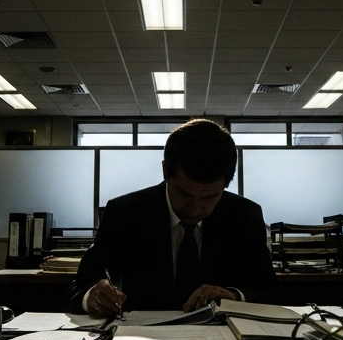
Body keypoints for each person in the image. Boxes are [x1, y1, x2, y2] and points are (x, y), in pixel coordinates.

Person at [68, 118, 275, 317]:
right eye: (185, 194)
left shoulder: (245, 216)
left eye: (209, 197)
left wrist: (233, 296)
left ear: (226, 184)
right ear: (165, 171)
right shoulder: (125, 213)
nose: (195, 209)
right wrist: (92, 297)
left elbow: (270, 291)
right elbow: (79, 287)